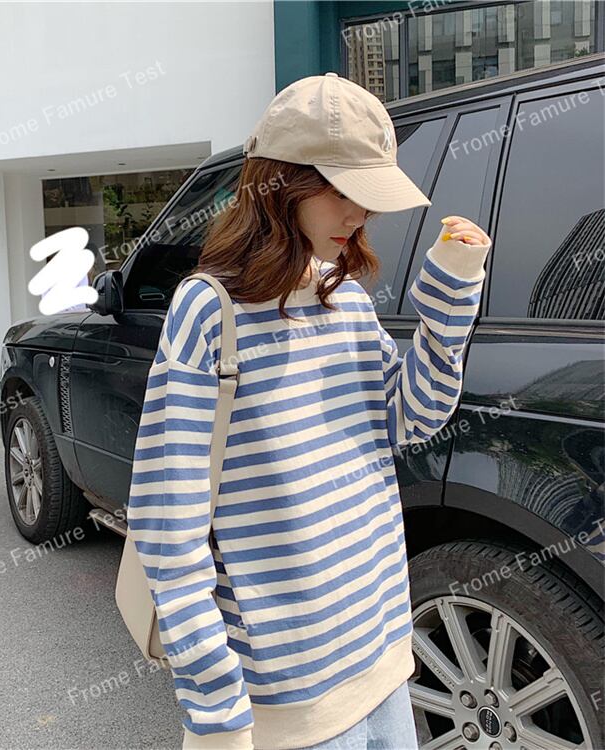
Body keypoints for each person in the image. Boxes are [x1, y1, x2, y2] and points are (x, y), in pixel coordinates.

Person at [126, 72, 492, 750]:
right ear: (281, 185)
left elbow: (409, 419)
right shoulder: (209, 310)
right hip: (284, 691)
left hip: (382, 654)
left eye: (368, 195)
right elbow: (167, 526)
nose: (359, 214)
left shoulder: (342, 295)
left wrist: (448, 306)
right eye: (342, 190)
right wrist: (217, 711)